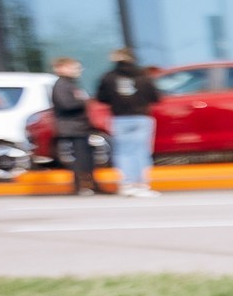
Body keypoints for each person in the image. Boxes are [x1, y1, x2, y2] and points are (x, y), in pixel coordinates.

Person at [96, 48, 160, 197]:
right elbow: (155, 97)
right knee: (141, 151)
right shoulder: (143, 75)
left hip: (120, 117)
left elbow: (101, 97)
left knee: (123, 152)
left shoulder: (109, 77)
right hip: (141, 117)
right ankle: (142, 184)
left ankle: (127, 184)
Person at [46, 57, 103, 197]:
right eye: (74, 67)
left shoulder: (71, 84)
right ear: (61, 68)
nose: (78, 70)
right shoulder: (61, 85)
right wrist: (84, 102)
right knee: (80, 158)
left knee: (87, 157)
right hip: (71, 127)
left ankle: (91, 184)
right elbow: (66, 104)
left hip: (79, 126)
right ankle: (82, 185)